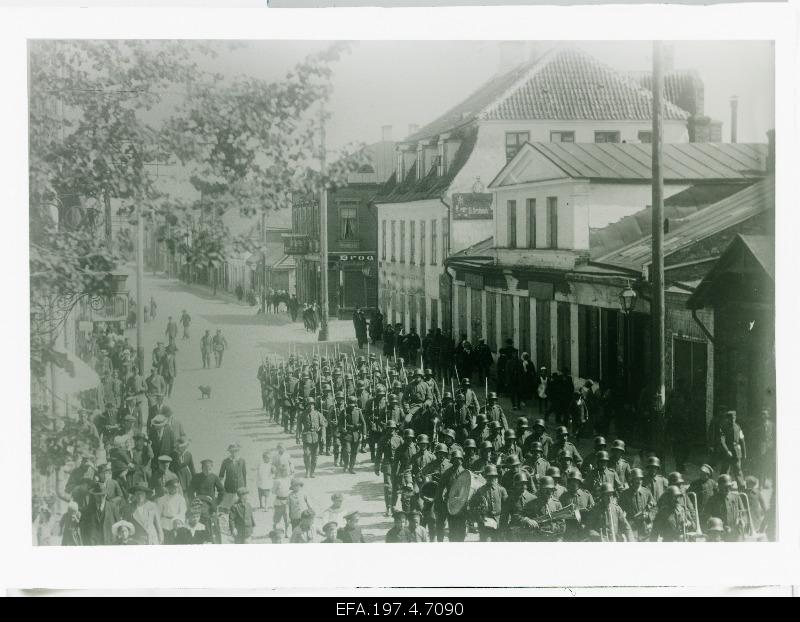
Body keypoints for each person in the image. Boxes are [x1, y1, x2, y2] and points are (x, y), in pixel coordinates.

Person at [470, 464, 508, 542]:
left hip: (499, 521)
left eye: (494, 476)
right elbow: (472, 505)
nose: (492, 478)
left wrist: (504, 522)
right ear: (486, 477)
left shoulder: (501, 490)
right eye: (489, 476)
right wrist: (480, 517)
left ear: (496, 477)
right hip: (485, 522)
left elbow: (507, 507)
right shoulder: (480, 490)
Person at [703, 474, 746, 542]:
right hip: (719, 532)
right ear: (719, 486)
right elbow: (707, 515)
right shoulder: (712, 499)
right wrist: (715, 526)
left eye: (729, 487)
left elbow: (743, 513)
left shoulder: (736, 497)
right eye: (724, 487)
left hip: (735, 531)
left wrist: (742, 521)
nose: (727, 489)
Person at [619, 468, 656, 542]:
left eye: (640, 479)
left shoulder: (647, 492)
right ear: (631, 480)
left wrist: (649, 516)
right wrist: (624, 526)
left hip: (645, 527)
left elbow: (654, 508)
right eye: (636, 479)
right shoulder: (625, 494)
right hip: (631, 528)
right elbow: (619, 512)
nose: (639, 481)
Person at [718, 410, 747, 486]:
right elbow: (722, 441)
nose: (733, 420)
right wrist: (727, 451)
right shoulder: (723, 427)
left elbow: (742, 440)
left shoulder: (738, 427)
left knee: (738, 470)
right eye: (731, 418)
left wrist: (744, 453)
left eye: (734, 418)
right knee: (725, 470)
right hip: (727, 452)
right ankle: (722, 486)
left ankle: (742, 488)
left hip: (737, 452)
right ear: (727, 419)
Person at [157, 479, 187, 544]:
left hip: (176, 523)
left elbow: (183, 512)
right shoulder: (162, 499)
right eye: (173, 487)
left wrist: (177, 519)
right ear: (168, 488)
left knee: (175, 542)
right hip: (165, 523)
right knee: (165, 542)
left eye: (176, 487)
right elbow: (158, 513)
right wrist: (158, 524)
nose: (175, 489)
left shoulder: (181, 499)